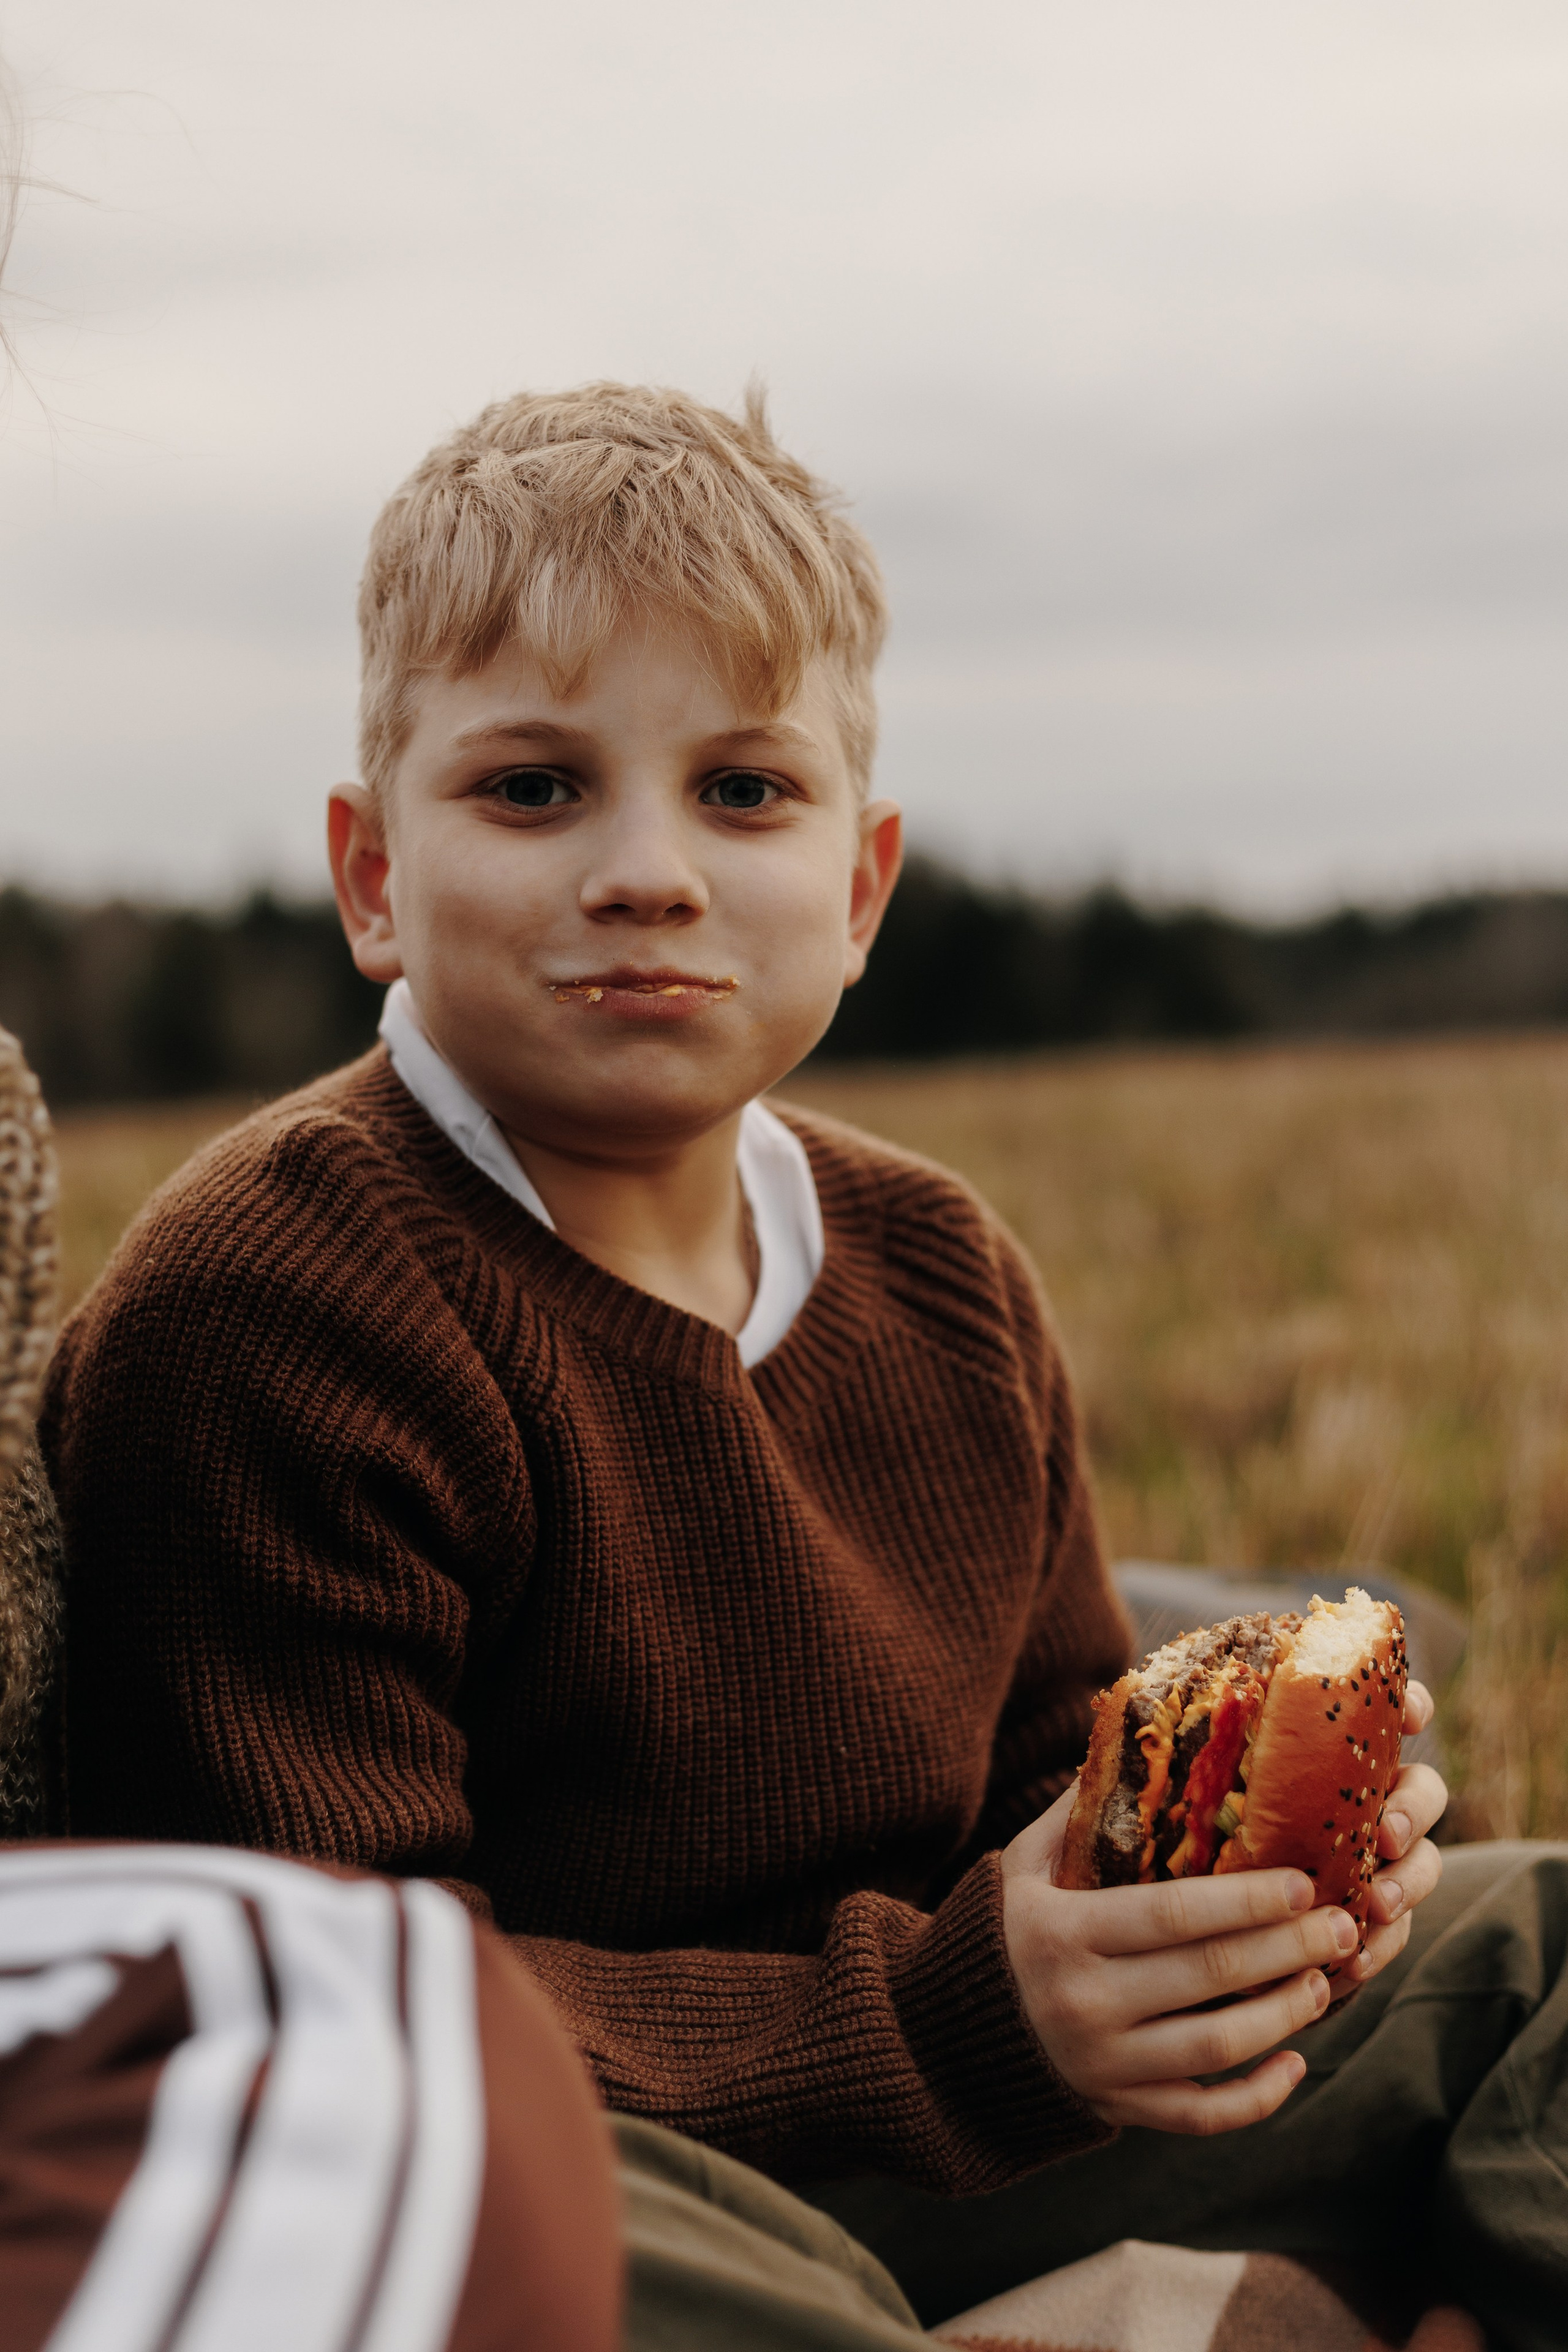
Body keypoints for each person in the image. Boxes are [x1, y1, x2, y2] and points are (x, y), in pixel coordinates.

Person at [39, 385, 1564, 2350]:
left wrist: (1211, 1917)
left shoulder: (940, 1270)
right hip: (552, 2162)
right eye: (531, 788)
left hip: (962, 2105)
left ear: (860, 887)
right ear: (370, 876)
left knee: (1532, 1943)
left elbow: (1043, 1764)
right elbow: (333, 2022)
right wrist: (970, 2017)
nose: (649, 872)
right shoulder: (277, 1305)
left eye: (745, 792)